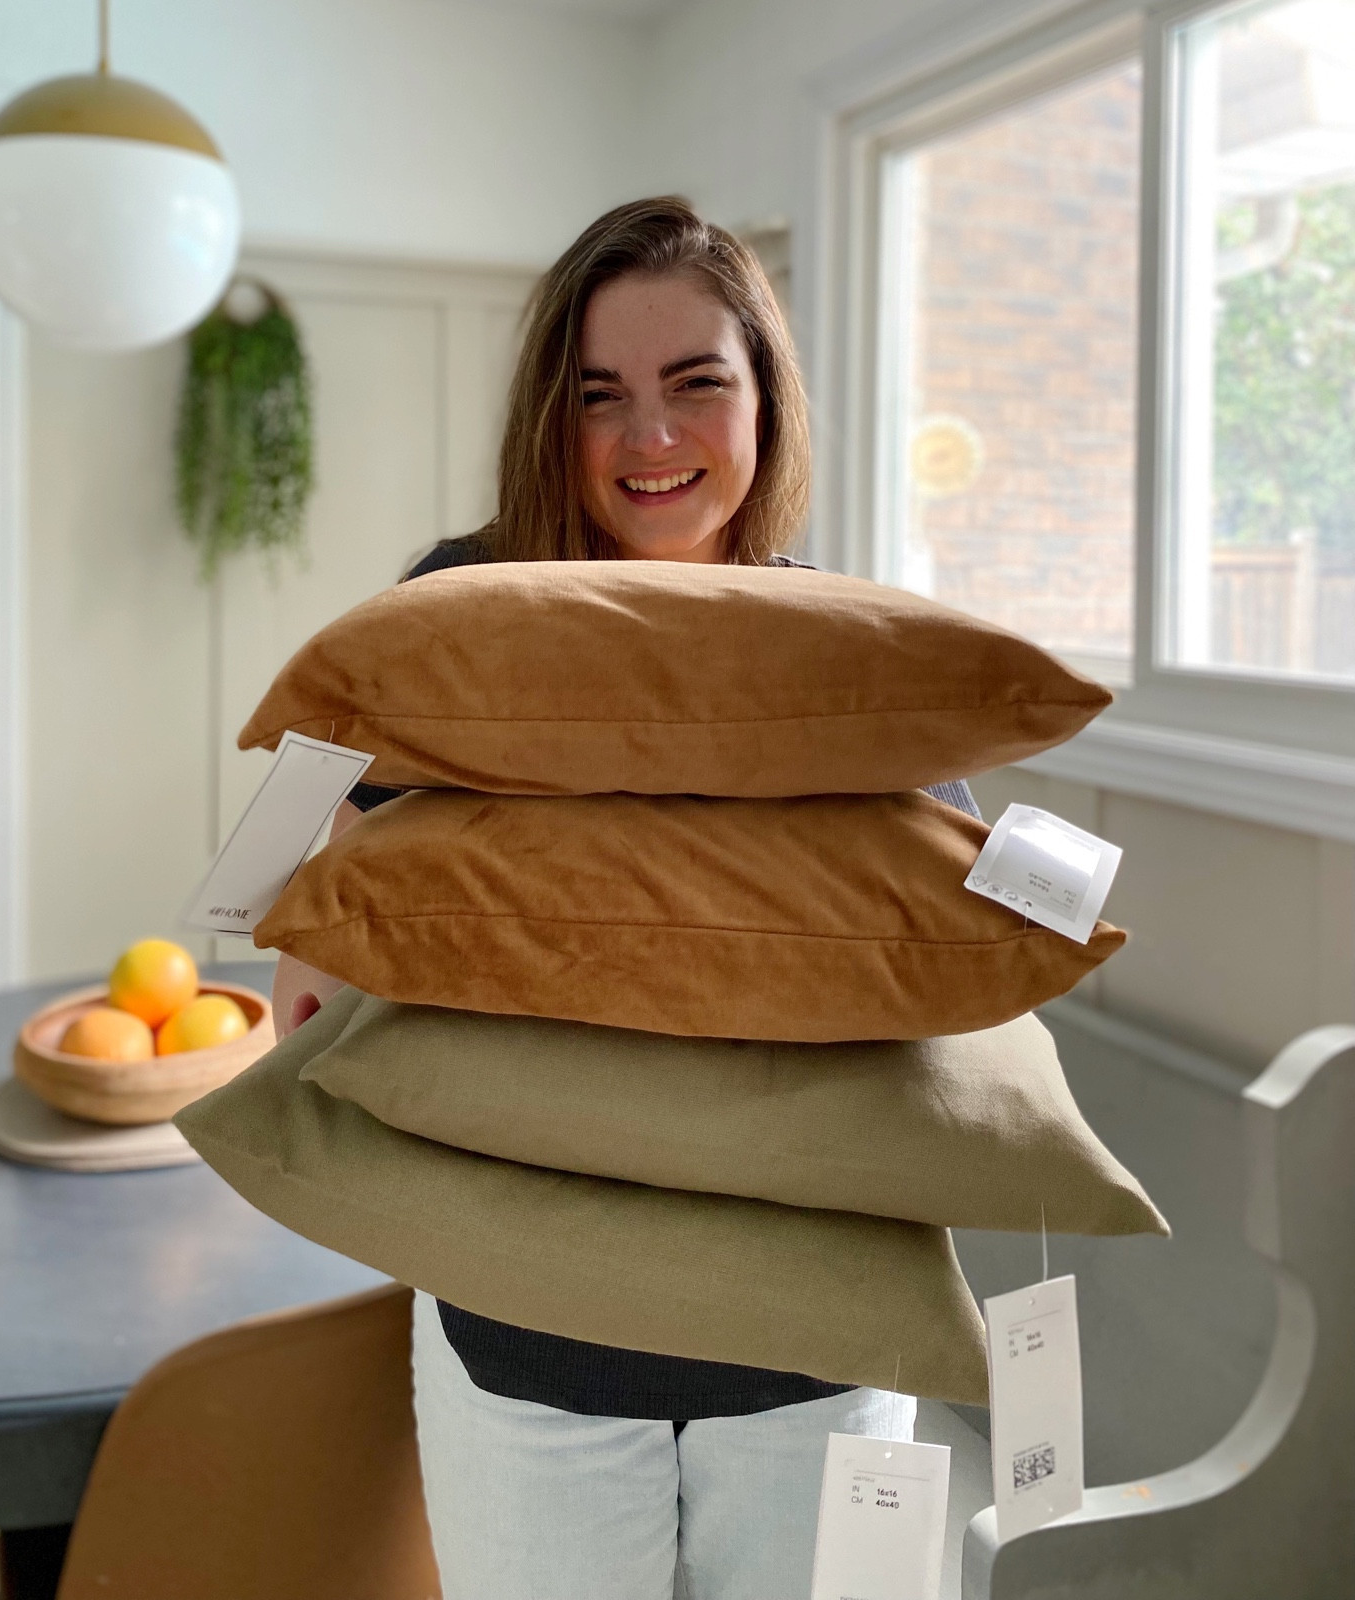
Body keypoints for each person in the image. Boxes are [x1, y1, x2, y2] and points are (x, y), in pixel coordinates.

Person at [271, 196, 976, 1600]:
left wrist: (1051, 893)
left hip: (806, 1350)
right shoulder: (461, 603)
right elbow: (294, 809)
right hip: (526, 1347)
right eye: (603, 398)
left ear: (765, 399)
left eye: (696, 384)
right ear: (555, 415)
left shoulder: (838, 643)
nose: (651, 440)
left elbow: (955, 853)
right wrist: (295, 908)